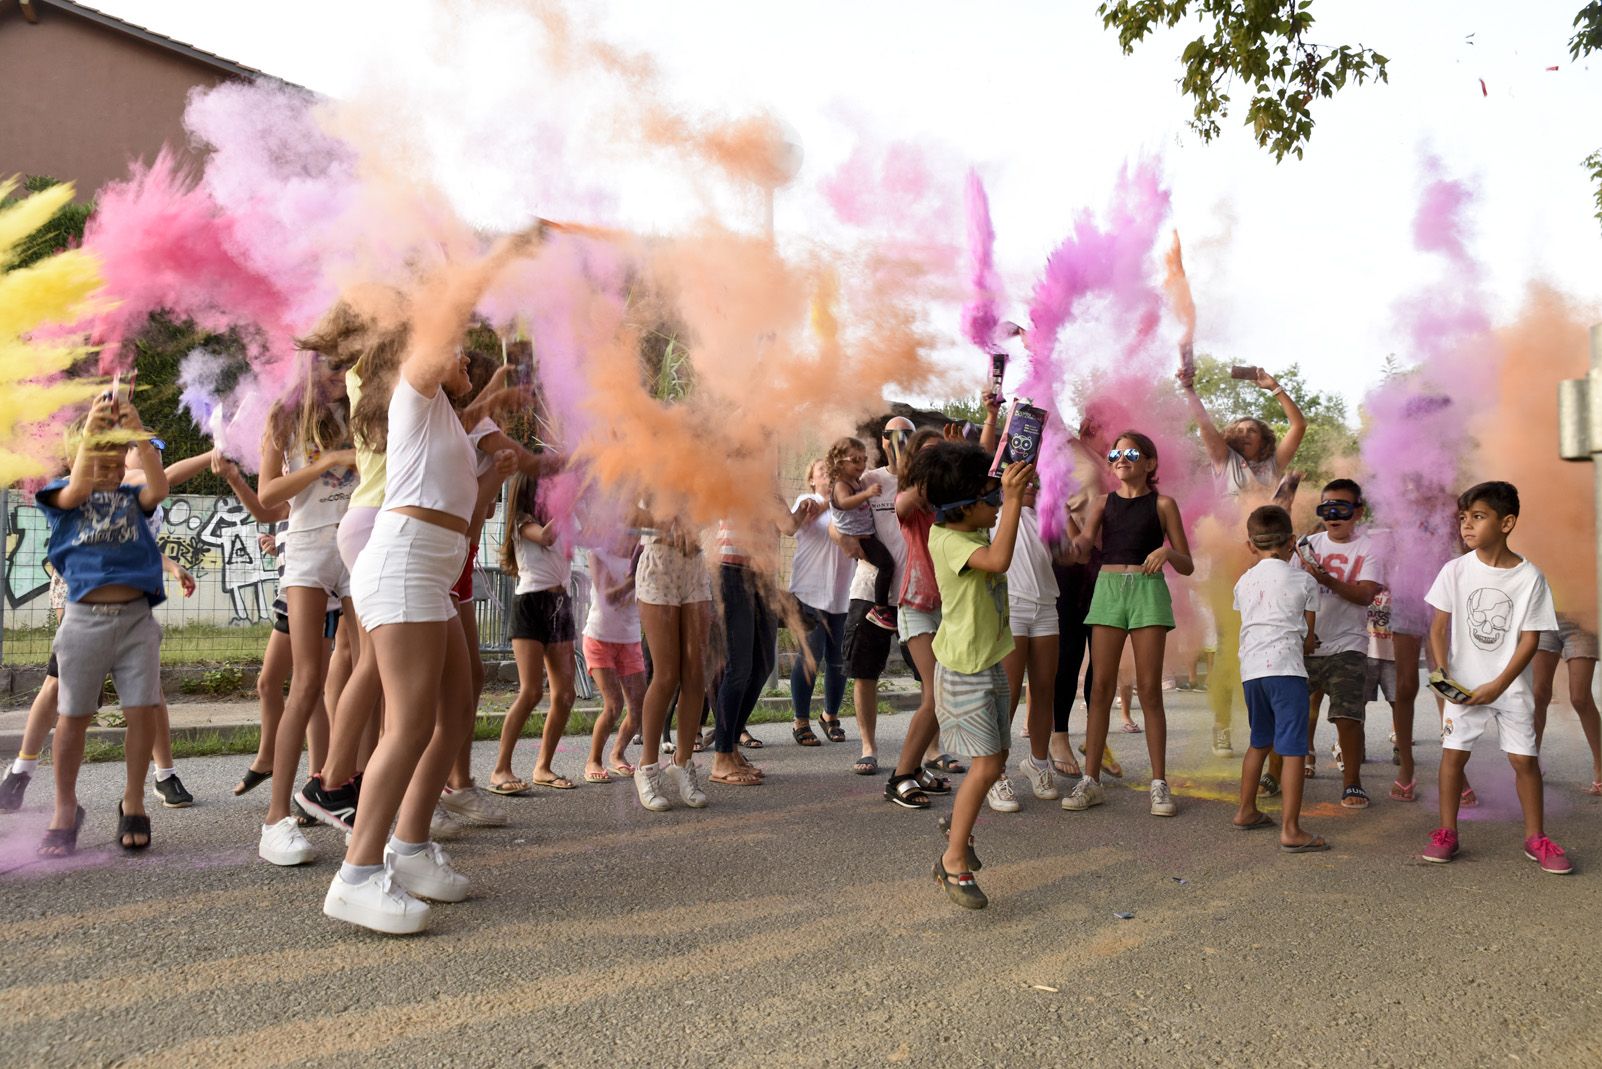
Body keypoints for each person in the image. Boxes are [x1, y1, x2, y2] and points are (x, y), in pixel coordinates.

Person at [322, 231, 539, 934]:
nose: (463, 358)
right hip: (404, 564)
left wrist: (497, 472)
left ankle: (410, 848)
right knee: (412, 721)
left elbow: (467, 519)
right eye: (455, 350)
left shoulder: (445, 418)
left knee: (454, 707)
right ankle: (357, 874)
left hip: (433, 567)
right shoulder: (413, 392)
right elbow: (442, 324)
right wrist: (503, 254)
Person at [32, 395, 167, 855]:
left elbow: (159, 487)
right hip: (83, 621)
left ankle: (133, 800)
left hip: (136, 619)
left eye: (115, 461)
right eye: (97, 460)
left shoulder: (132, 498)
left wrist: (139, 433)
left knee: (142, 710)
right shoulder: (60, 497)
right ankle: (65, 808)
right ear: (75, 459)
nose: (108, 470)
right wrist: (91, 432)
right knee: (73, 716)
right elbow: (76, 489)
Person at [1423, 481, 1572, 873]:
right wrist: (1442, 674)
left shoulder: (1530, 577)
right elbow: (1438, 628)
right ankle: (1447, 832)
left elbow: (1530, 639)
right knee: (1453, 756)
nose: (1466, 525)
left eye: (1478, 517)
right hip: (1463, 688)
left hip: (1509, 687)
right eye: (1463, 518)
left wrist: (1499, 685)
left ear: (1506, 523)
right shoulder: (1455, 571)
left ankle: (1536, 837)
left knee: (1525, 761)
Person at [255, 342, 359, 866]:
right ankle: (276, 819)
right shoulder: (286, 415)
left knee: (367, 674)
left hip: (360, 543)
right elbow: (268, 494)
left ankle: (350, 794)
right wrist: (331, 461)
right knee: (308, 681)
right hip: (309, 550)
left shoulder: (365, 406)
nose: (342, 374)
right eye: (333, 366)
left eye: (348, 364)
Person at [923, 442, 1034, 909]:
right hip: (963, 670)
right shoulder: (949, 541)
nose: (997, 505)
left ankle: (958, 825)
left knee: (997, 759)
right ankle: (952, 860)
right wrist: (1012, 500)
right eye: (990, 499)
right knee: (986, 766)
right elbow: (999, 561)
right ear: (964, 507)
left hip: (987, 662)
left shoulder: (968, 527)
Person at [1063, 432, 1194, 817]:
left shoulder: (1164, 504)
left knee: (1150, 689)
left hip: (1148, 591)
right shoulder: (1102, 503)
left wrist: (1167, 552)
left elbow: (1187, 563)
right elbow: (1082, 550)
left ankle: (1159, 784)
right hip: (1107, 589)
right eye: (1115, 453)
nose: (1121, 458)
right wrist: (1064, 523)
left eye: (1131, 453)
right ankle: (1091, 781)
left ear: (1150, 463)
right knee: (1100, 687)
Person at [1230, 505, 1327, 851]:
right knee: (1293, 750)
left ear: (1250, 545)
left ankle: (1245, 810)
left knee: (1260, 741)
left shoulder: (1243, 581)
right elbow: (1309, 641)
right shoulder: (1304, 580)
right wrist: (1308, 640)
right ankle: (1291, 830)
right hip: (1286, 671)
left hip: (1252, 672)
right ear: (1291, 543)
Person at [1292, 479, 1386, 810]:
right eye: (1326, 508)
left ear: (1358, 512)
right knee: (1294, 711)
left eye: (1341, 508)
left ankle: (1352, 783)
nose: (1333, 516)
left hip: (1349, 643)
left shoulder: (1369, 549)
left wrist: (1325, 579)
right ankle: (1287, 768)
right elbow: (1289, 589)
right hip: (1307, 644)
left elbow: (1365, 595)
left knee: (1348, 716)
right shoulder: (1305, 546)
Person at [884, 426, 960, 808]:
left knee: (942, 695)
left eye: (941, 453)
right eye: (928, 453)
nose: (937, 459)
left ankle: (914, 768)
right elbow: (903, 503)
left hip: (950, 607)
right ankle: (900, 776)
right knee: (936, 694)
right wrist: (932, 465)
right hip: (916, 604)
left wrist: (959, 459)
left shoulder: (954, 503)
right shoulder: (911, 501)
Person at [833, 417, 914, 776]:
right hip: (869, 591)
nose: (900, 441)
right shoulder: (868, 480)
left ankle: (932, 750)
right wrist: (843, 539)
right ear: (882, 441)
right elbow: (836, 520)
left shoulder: (923, 481)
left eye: (907, 434)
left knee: (928, 674)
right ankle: (868, 748)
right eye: (892, 435)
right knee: (865, 672)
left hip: (915, 593)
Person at [491, 470, 579, 791]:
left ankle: (543, 767)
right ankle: (500, 769)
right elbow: (545, 537)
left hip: (560, 604)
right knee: (531, 691)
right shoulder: (522, 521)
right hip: (530, 604)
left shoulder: (560, 519)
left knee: (565, 695)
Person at [631, 503, 713, 812]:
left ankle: (682, 762)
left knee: (696, 675)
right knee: (666, 675)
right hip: (659, 564)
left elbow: (718, 505)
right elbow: (627, 512)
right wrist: (665, 518)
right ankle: (647, 768)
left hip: (694, 565)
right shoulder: (647, 474)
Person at [995, 474, 1061, 811]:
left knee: (1044, 689)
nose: (1033, 485)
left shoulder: (1048, 517)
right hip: (1012, 606)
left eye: (1037, 480)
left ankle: (1038, 762)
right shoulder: (996, 513)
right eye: (1027, 480)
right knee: (1007, 692)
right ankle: (995, 772)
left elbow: (1070, 555)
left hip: (1046, 606)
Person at [787, 458, 852, 748]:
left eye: (832, 472)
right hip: (810, 591)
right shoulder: (807, 501)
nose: (828, 475)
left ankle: (830, 716)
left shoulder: (847, 505)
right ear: (812, 480)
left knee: (839, 660)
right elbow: (800, 520)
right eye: (822, 472)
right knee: (810, 655)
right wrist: (831, 500)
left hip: (843, 593)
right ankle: (801, 720)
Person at [581, 539, 645, 782]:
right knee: (614, 704)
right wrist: (634, 577)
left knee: (638, 707)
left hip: (630, 639)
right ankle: (593, 761)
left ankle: (617, 754)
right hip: (599, 638)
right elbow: (608, 597)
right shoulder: (598, 553)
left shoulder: (643, 552)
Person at [827, 436, 897, 631]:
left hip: (865, 534)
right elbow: (844, 503)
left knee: (885, 564)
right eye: (855, 460)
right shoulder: (841, 485)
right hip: (860, 537)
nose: (861, 464)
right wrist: (866, 494)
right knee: (886, 565)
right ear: (839, 463)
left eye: (864, 459)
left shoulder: (856, 481)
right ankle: (880, 608)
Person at [1531, 615, 1602, 796]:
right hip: (1544, 617)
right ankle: (1531, 762)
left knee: (1580, 698)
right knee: (1538, 695)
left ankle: (1600, 766)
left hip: (1581, 619)